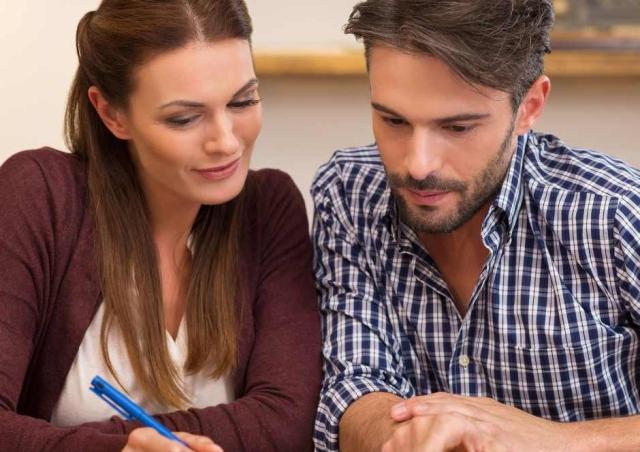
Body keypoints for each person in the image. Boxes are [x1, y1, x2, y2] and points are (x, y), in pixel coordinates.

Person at [311, 0, 640, 451]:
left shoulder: (616, 212)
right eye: (393, 121)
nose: (418, 164)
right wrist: (407, 436)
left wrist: (551, 440)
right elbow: (352, 385)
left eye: (459, 127)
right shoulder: (348, 194)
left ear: (529, 106)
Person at [0, 1, 321, 451]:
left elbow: (288, 423)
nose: (226, 141)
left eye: (243, 100)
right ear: (111, 113)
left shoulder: (268, 210)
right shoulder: (39, 196)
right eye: (184, 118)